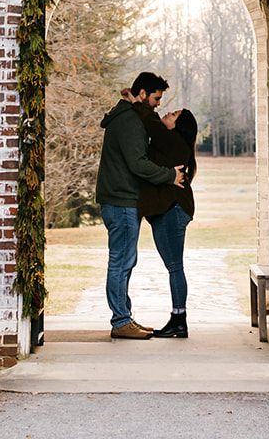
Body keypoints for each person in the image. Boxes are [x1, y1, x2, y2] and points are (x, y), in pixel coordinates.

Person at [95, 70, 184, 341]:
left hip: (119, 200)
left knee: (124, 261)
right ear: (143, 94)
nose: (158, 104)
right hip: (121, 201)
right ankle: (121, 321)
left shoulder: (126, 115)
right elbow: (138, 164)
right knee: (121, 261)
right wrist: (171, 175)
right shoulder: (131, 122)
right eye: (156, 98)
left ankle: (124, 318)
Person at [136, 105, 198, 339]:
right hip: (171, 208)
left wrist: (137, 104)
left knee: (175, 267)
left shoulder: (172, 140)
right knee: (174, 266)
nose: (167, 113)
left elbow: (152, 125)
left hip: (173, 209)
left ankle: (179, 321)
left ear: (177, 126)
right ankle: (178, 319)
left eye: (173, 115)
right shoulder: (171, 142)